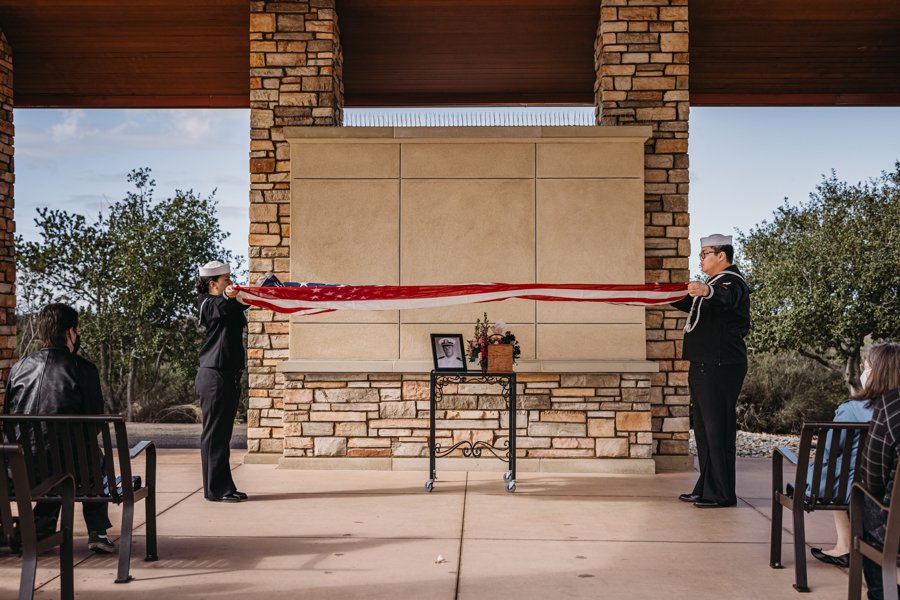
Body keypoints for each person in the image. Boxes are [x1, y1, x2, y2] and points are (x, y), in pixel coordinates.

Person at [3, 303, 116, 553]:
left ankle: (42, 524)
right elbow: (94, 423)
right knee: (92, 459)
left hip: (19, 471)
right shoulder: (83, 369)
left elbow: (9, 418)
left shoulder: (18, 368)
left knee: (55, 458)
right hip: (76, 473)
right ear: (70, 332)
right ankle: (97, 531)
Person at [671, 234, 751, 509]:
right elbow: (692, 303)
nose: (701, 258)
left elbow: (725, 298)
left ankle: (722, 493)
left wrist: (708, 292)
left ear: (722, 255)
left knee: (718, 430)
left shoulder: (731, 282)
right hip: (705, 364)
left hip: (720, 366)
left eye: (706, 253)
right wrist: (663, 293)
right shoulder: (713, 284)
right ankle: (707, 486)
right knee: (705, 431)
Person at [196, 260, 250, 503]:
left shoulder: (226, 303)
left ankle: (224, 485)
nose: (230, 282)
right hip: (214, 375)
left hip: (227, 375)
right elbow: (218, 306)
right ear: (212, 284)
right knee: (215, 435)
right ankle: (215, 490)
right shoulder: (206, 303)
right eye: (226, 279)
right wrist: (229, 297)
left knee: (222, 435)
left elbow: (240, 304)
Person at [808, 375, 875, 567]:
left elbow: (829, 449)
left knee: (835, 474)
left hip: (854, 487)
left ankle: (844, 545)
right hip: (890, 487)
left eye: (867, 366)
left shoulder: (852, 410)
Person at [855, 342, 900, 599]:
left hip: (894, 529)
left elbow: (872, 479)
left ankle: (880, 592)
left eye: (867, 367)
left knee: (863, 505)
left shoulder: (889, 407)